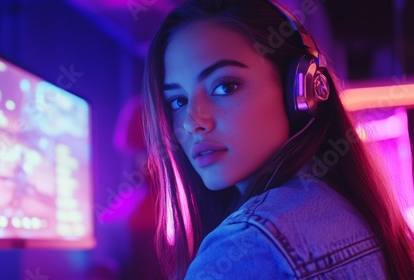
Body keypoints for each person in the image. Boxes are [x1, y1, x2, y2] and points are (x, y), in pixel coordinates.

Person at [140, 0, 414, 279]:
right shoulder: (359, 211)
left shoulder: (242, 249)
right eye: (178, 101)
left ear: (301, 91)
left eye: (225, 86)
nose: (192, 121)